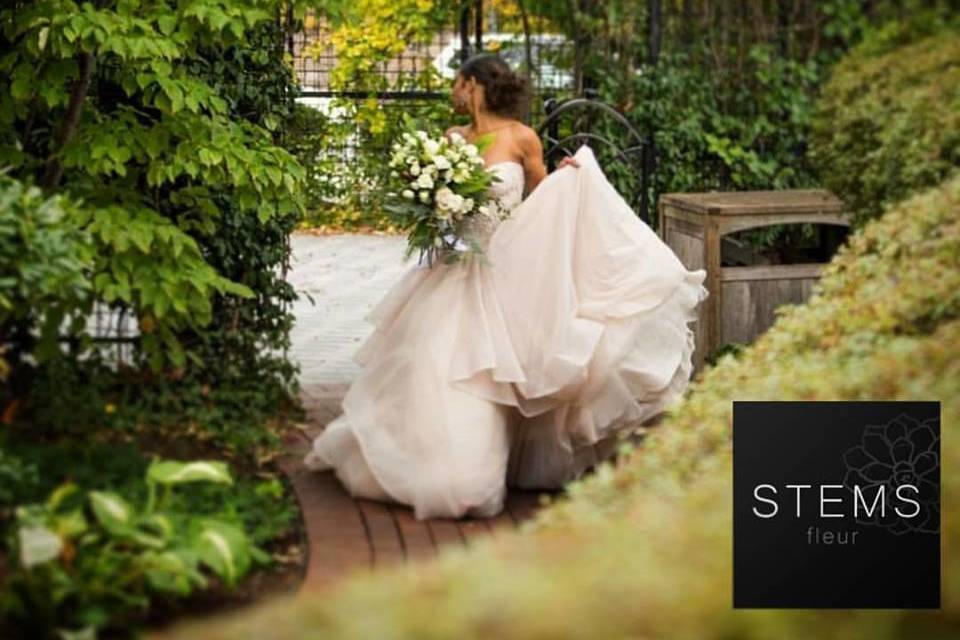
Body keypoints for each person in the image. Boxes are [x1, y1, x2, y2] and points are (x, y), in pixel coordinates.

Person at [303, 53, 709, 520]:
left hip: (507, 266)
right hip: (456, 268)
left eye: (457, 83)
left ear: (473, 85)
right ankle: (431, 460)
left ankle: (490, 465)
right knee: (437, 362)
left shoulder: (521, 136)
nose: (454, 92)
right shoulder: (452, 141)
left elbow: (542, 197)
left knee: (512, 365)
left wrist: (571, 179)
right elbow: (436, 211)